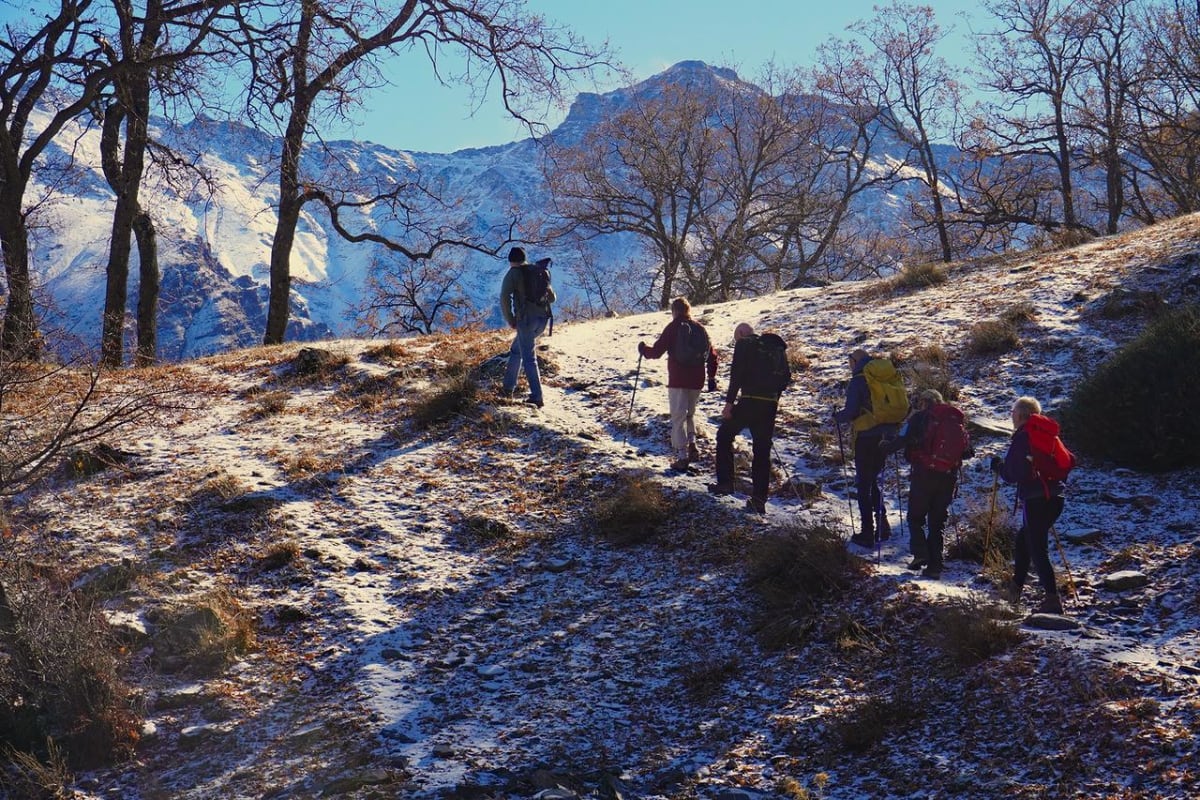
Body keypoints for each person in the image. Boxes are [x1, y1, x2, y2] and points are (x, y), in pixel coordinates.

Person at [884, 389, 973, 579]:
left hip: (924, 474)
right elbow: (968, 452)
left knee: (915, 517)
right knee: (936, 522)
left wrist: (884, 447)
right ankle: (935, 567)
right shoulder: (955, 420)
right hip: (948, 477)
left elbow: (901, 440)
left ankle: (920, 552)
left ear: (924, 402)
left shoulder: (919, 418)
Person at [991, 396, 1066, 615]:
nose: (1011, 416)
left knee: (1037, 548)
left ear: (1021, 415)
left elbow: (1015, 473)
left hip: (1036, 499)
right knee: (1024, 542)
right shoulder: (1048, 435)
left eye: (1013, 412)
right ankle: (1015, 589)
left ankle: (1052, 598)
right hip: (1055, 497)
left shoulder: (1023, 436)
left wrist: (999, 468)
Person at [707, 322, 789, 514]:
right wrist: (774, 400)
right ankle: (759, 500)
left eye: (737, 338)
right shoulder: (775, 349)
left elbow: (737, 375)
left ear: (742, 333)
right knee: (762, 451)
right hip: (769, 404)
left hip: (749, 400)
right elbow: (785, 378)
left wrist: (729, 404)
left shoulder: (745, 344)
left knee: (724, 436)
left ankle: (725, 483)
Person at [637, 298, 719, 472]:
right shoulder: (700, 328)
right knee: (690, 414)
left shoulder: (673, 327)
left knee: (678, 417)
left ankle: (682, 457)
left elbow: (656, 352)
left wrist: (643, 350)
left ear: (674, 310)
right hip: (697, 380)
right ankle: (693, 444)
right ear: (688, 310)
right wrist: (712, 377)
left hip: (678, 380)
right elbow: (712, 355)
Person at [834, 348, 902, 548]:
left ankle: (867, 532)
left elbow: (851, 411)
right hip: (887, 436)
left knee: (863, 485)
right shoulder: (885, 376)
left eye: (849, 361)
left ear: (855, 361)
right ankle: (882, 524)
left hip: (866, 436)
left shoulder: (859, 380)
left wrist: (837, 417)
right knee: (872, 480)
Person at [499, 247, 555, 408]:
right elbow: (552, 298)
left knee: (529, 358)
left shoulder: (513, 274)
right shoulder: (538, 271)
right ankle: (508, 388)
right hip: (543, 319)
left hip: (526, 321)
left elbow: (504, 297)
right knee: (516, 350)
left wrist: (511, 319)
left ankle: (537, 397)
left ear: (511, 261)